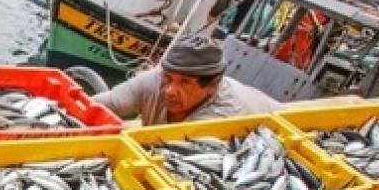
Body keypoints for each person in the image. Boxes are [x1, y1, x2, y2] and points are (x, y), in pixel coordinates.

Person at [93, 36, 279, 126]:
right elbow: (103, 103)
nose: (169, 91)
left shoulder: (223, 116)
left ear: (212, 85)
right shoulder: (154, 81)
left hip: (278, 123)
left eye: (185, 83)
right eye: (168, 78)